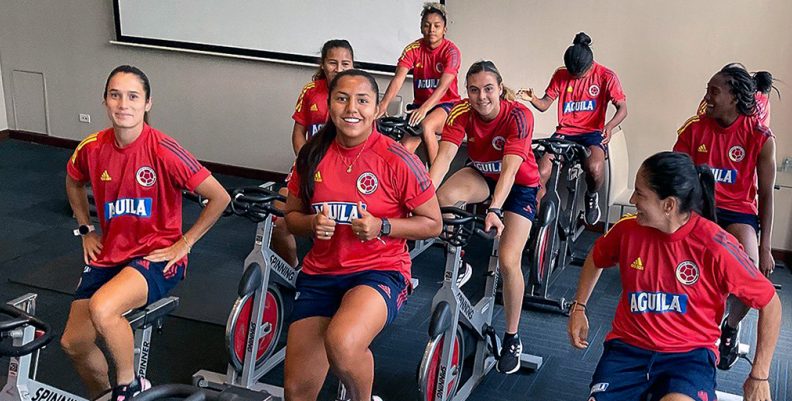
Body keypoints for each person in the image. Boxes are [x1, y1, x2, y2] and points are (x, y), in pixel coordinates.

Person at [62, 65, 231, 400]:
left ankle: (131, 385)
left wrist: (185, 243)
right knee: (73, 343)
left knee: (103, 309)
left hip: (156, 255)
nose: (123, 104)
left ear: (147, 103)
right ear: (106, 102)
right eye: (115, 95)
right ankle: (104, 394)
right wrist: (85, 229)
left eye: (133, 96)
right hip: (110, 252)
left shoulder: (163, 149)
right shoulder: (92, 147)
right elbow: (72, 180)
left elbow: (219, 196)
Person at [568, 152, 781, 401]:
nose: (632, 198)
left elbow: (770, 302)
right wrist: (578, 307)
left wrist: (759, 375)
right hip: (628, 350)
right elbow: (597, 255)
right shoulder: (627, 230)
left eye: (640, 193)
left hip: (688, 356)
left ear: (668, 205)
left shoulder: (715, 244)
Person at [283, 69, 442, 401]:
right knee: (297, 392)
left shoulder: (397, 159)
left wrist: (383, 226)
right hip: (321, 274)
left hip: (379, 269)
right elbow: (292, 217)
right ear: (329, 104)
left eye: (362, 100)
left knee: (342, 343)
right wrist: (311, 224)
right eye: (342, 99)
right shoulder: (311, 155)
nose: (351, 108)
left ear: (376, 108)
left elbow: (432, 224)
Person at [429, 60, 539, 374]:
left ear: (499, 89)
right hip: (481, 176)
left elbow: (510, 170)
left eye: (488, 89)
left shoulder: (519, 115)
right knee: (444, 196)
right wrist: (420, 199)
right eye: (474, 90)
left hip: (518, 186)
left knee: (507, 260)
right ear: (467, 92)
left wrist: (494, 209)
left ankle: (513, 336)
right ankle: (459, 261)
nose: (481, 97)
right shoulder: (461, 113)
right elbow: (444, 158)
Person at [674, 64, 777, 370]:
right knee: (683, 265)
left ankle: (729, 327)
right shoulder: (694, 128)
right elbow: (676, 177)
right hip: (700, 208)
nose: (706, 97)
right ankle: (685, 329)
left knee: (751, 272)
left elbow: (767, 195)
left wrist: (765, 246)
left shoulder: (760, 136)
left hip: (739, 212)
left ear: (733, 98)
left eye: (713, 91)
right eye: (707, 89)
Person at [517, 32, 627, 225]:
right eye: (572, 75)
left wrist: (609, 127)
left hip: (592, 133)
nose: (575, 78)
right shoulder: (561, 74)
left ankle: (591, 197)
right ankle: (536, 219)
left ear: (590, 66)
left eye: (579, 75)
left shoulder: (605, 76)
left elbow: (622, 108)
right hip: (565, 132)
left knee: (594, 168)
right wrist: (532, 99)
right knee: (541, 172)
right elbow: (544, 104)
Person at [273, 39, 355, 268]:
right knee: (278, 222)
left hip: (345, 171)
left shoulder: (360, 94)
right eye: (332, 62)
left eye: (345, 63)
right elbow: (298, 132)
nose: (338, 69)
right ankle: (292, 269)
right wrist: (305, 160)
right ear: (323, 64)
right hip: (310, 165)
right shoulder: (310, 91)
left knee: (343, 226)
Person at [377, 2, 461, 163]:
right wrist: (384, 104)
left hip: (447, 106)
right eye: (427, 25)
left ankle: (435, 181)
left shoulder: (451, 51)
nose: (432, 30)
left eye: (437, 26)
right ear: (421, 27)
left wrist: (425, 109)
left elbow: (443, 87)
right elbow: (398, 79)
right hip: (420, 107)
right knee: (404, 149)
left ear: (444, 29)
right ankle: (410, 183)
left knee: (427, 125)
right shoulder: (412, 49)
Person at [696, 64, 777, 128]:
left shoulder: (760, 107)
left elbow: (760, 140)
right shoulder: (708, 106)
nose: (707, 97)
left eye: (714, 92)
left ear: (735, 97)